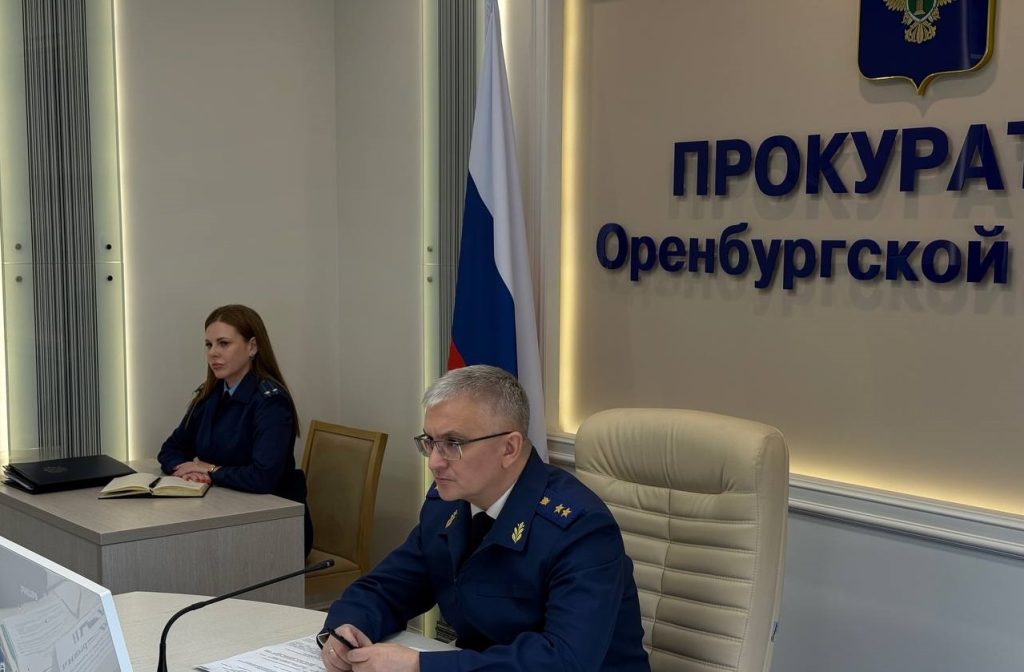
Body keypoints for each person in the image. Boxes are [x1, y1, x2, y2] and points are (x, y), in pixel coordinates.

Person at [318, 365, 650, 672]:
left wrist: (421, 667)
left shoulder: (580, 529)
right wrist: (349, 627)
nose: (434, 462)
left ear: (509, 448)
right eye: (430, 442)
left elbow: (564, 659)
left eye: (453, 443)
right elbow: (387, 589)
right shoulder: (447, 505)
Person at [157, 304, 312, 555]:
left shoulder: (271, 402)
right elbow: (171, 449)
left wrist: (211, 471)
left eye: (224, 343)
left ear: (252, 347)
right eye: (209, 345)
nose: (213, 353)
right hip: (223, 512)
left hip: (275, 525)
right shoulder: (210, 395)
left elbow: (263, 477)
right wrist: (188, 471)